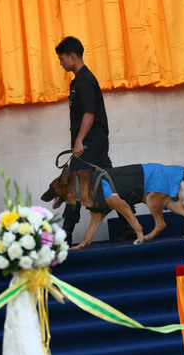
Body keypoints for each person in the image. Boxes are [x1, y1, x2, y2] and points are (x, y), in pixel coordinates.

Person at [55, 36, 136, 244]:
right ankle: (130, 225)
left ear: (73, 56)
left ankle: (65, 235)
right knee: (111, 181)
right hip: (95, 143)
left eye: (62, 58)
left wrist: (79, 141)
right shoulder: (81, 80)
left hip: (90, 144)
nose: (61, 63)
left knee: (74, 183)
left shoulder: (84, 81)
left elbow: (89, 114)